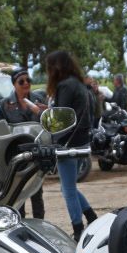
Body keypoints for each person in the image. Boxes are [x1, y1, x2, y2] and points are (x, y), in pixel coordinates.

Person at [45, 50, 97, 241]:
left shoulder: (65, 85)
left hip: (67, 141)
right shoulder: (79, 83)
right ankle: (91, 216)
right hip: (81, 139)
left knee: (67, 190)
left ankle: (78, 228)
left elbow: (61, 117)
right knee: (68, 187)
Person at [1, 68, 45, 219]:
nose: (26, 83)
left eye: (28, 80)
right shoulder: (5, 104)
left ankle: (40, 225)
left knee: (37, 193)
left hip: (36, 153)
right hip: (17, 155)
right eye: (21, 81)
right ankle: (20, 227)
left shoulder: (38, 99)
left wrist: (44, 112)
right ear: (14, 84)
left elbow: (46, 123)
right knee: (18, 194)